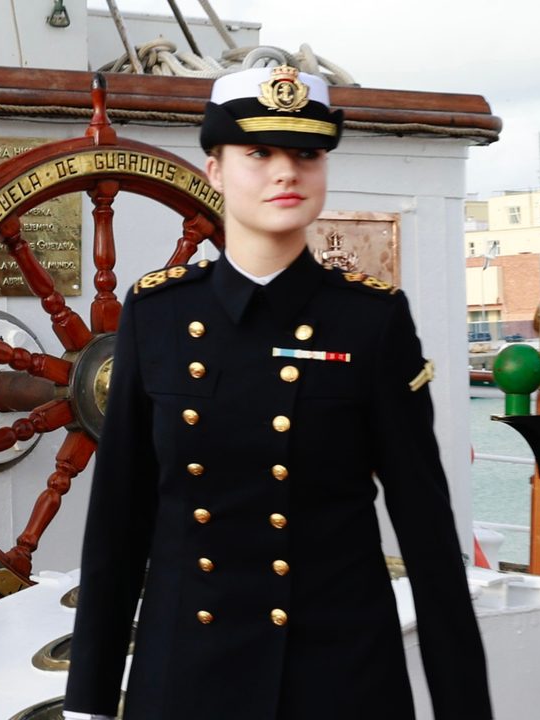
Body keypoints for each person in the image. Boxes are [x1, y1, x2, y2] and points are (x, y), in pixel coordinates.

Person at [62, 66, 492, 719]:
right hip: (187, 677)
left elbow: (428, 535)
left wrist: (464, 708)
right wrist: (88, 702)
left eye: (306, 154)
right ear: (214, 170)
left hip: (339, 678)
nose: (285, 172)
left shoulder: (371, 322)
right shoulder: (159, 316)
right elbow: (117, 525)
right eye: (258, 153)